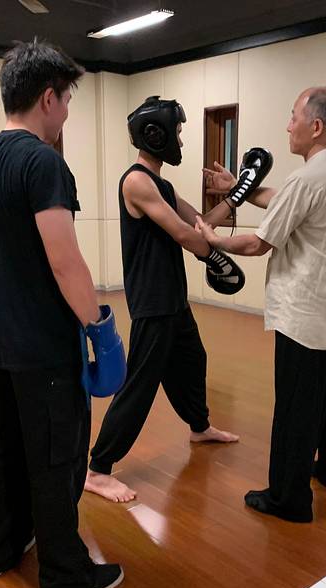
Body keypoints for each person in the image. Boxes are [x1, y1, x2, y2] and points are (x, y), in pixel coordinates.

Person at [0, 39, 124, 588]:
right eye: (68, 100)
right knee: (56, 455)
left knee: (1, 445)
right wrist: (99, 327)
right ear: (48, 98)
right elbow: (64, 258)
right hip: (44, 346)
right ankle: (66, 576)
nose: (67, 112)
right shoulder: (44, 163)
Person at [196, 86, 326, 523]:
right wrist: (238, 188)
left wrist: (213, 239)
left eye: (293, 117)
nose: (288, 126)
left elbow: (258, 243)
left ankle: (288, 498)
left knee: (296, 406)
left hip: (306, 313)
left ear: (316, 126)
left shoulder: (309, 178)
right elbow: (286, 201)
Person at [84, 96, 240, 503]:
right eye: (178, 133)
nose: (181, 142)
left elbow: (200, 224)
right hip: (152, 301)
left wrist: (238, 194)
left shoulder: (162, 185)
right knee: (141, 384)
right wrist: (218, 257)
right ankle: (98, 469)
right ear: (156, 134)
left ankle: (199, 427)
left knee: (193, 359)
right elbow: (186, 235)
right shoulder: (136, 182)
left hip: (172, 297)